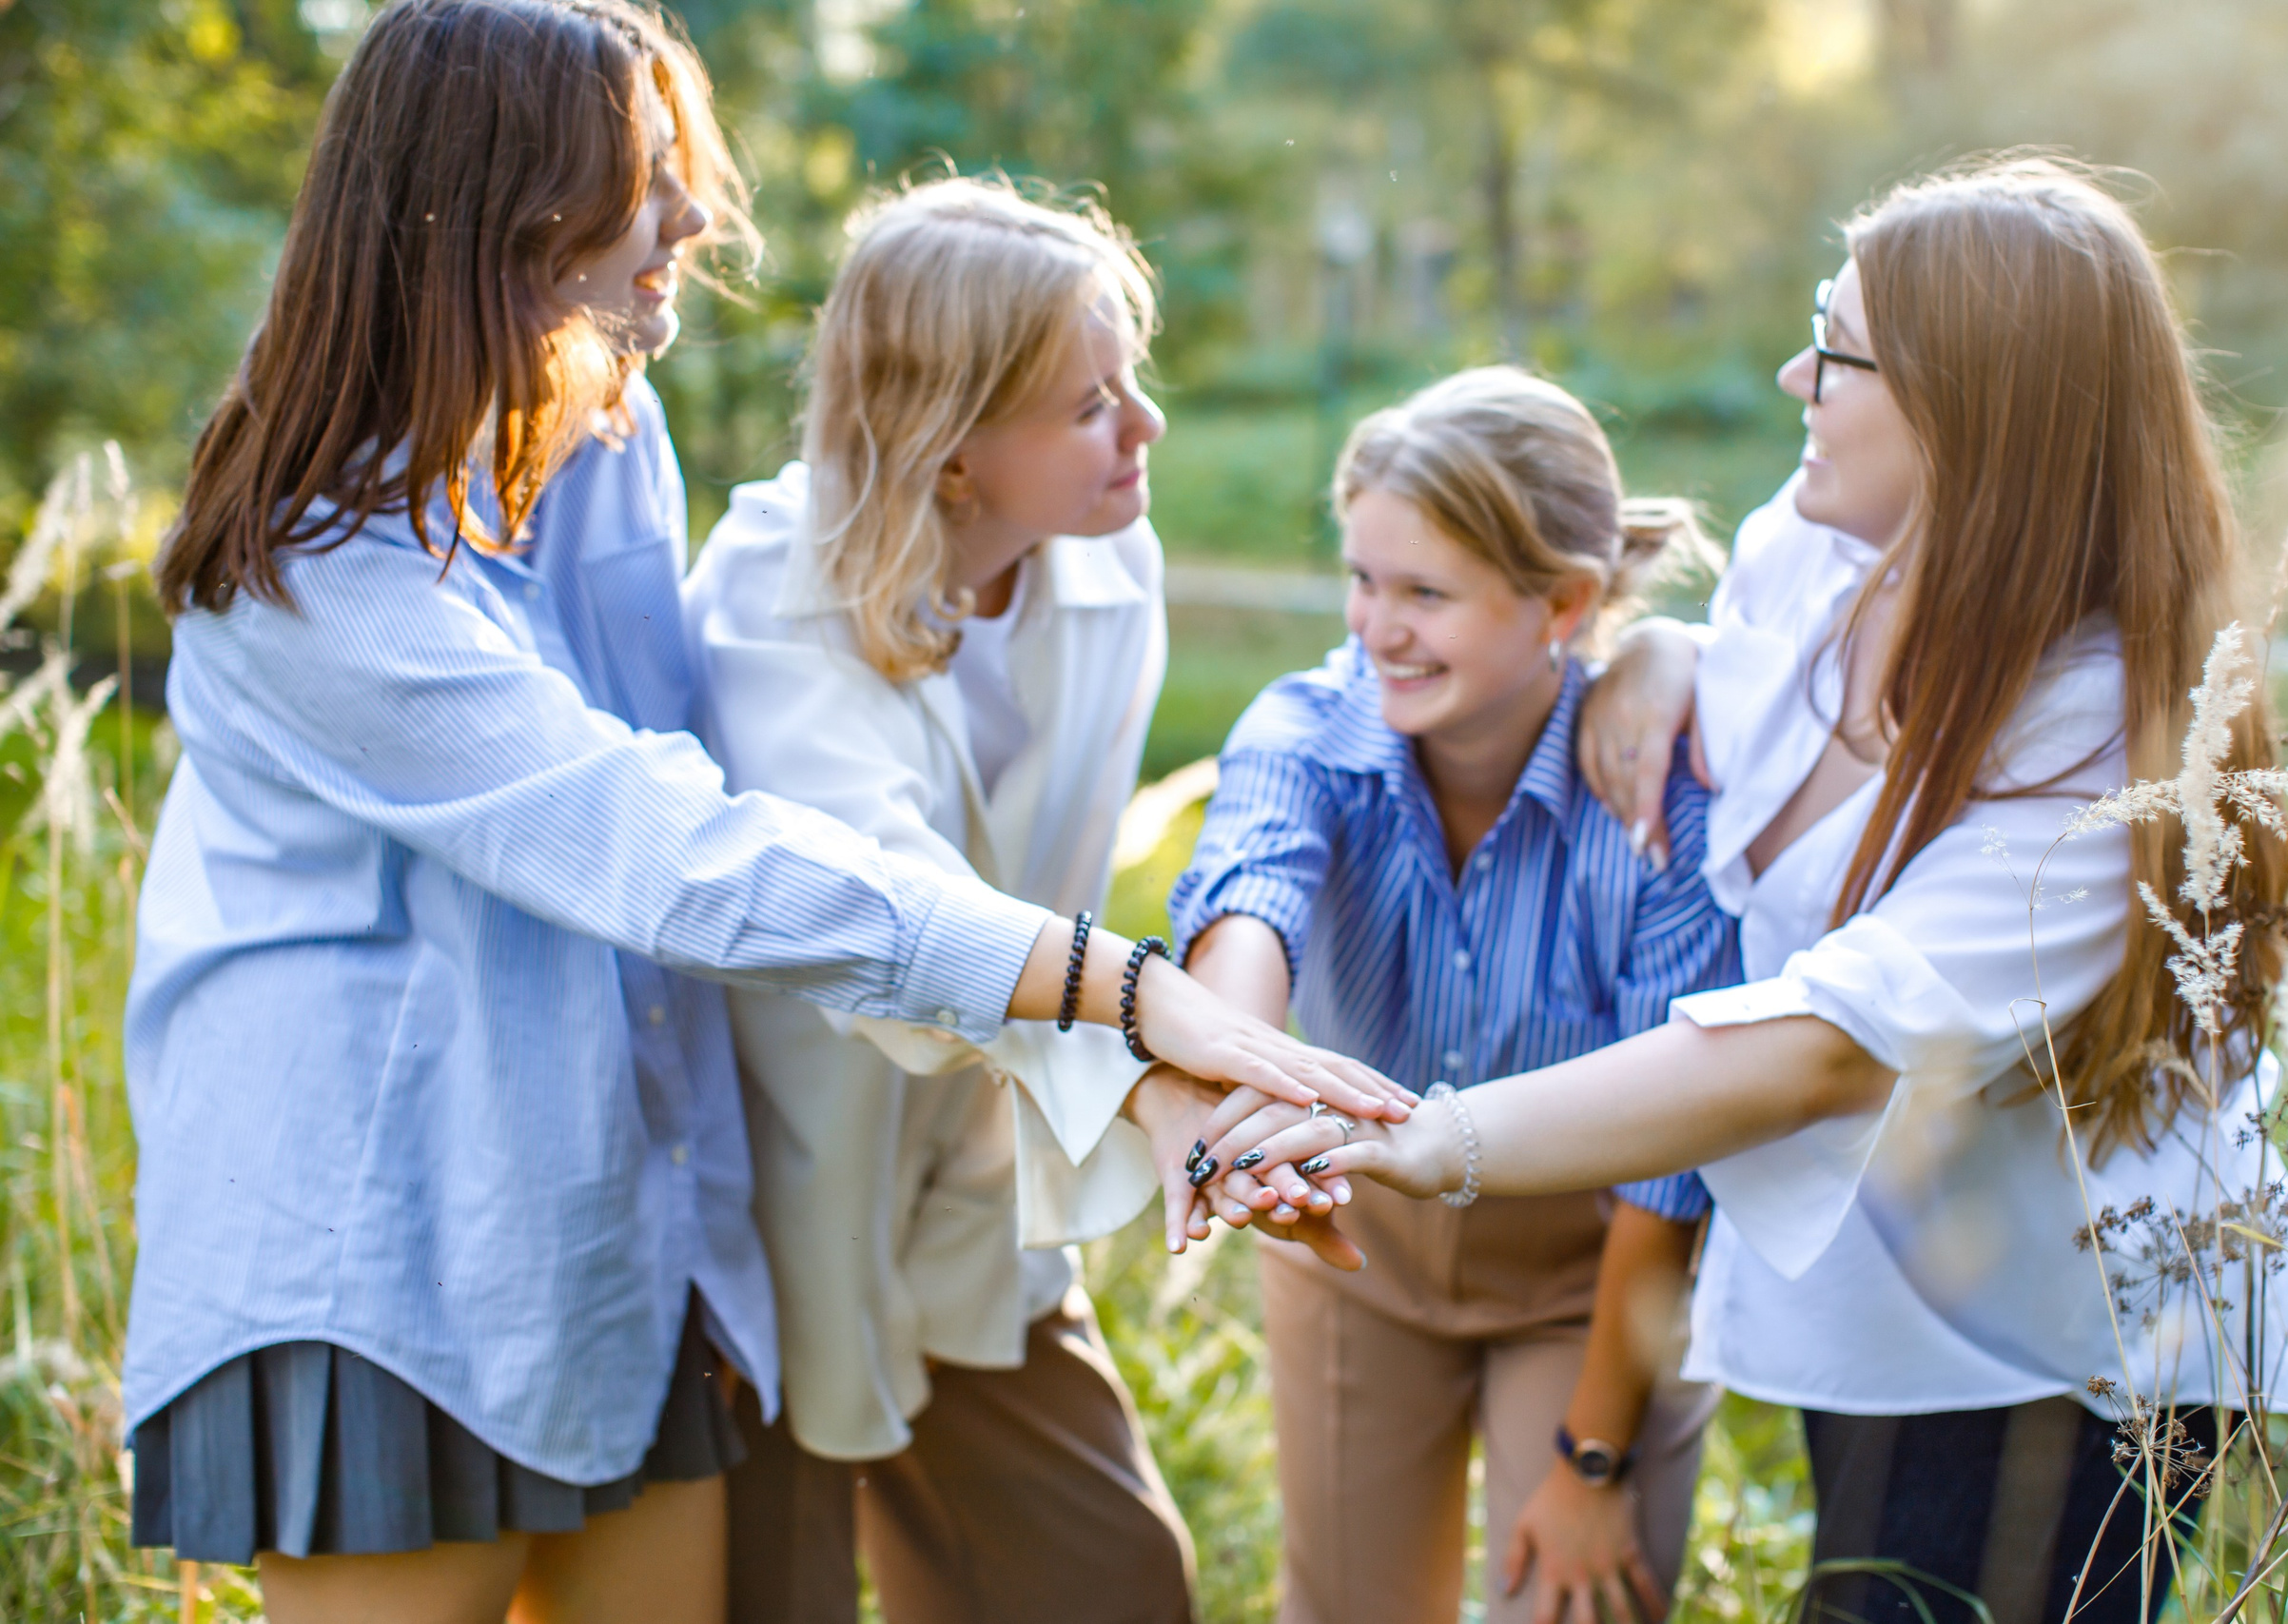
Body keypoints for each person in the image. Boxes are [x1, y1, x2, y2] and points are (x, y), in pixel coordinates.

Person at [120, 8, 1402, 1620]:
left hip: (619, 1221)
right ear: (510, 213)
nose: (699, 222)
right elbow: (669, 849)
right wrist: (1125, 990)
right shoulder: (314, 579)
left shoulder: (601, 439)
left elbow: (713, 794)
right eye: (648, 181)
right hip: (388, 1253)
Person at [1203, 158, 2288, 1624]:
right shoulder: (1811, 555)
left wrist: (1430, 1137)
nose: (1796, 370)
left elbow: (1826, 1045)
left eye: (1838, 352)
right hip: (1882, 1290)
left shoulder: (2110, 731)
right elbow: (1735, 739)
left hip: (2073, 1344)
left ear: (1969, 409)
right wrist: (1655, 659)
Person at [685, 177, 1203, 1623]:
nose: (1145, 427)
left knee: (1113, 1581)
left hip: (986, 1174)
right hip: (791, 1183)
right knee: (775, 1596)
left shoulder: (1115, 559)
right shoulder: (768, 594)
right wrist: (1155, 1072)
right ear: (952, 449)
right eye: (1093, 403)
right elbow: (892, 920)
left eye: (1131, 381)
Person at [1165, 367, 1740, 1624]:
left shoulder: (1660, 803)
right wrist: (1232, 1058)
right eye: (1364, 580)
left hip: (1597, 1272)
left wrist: (1595, 1464)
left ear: (1564, 603)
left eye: (1427, 593)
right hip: (1365, 1257)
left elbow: (1672, 1164)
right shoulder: (1310, 732)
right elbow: (1247, 896)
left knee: (1574, 1602)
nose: (1379, 628)